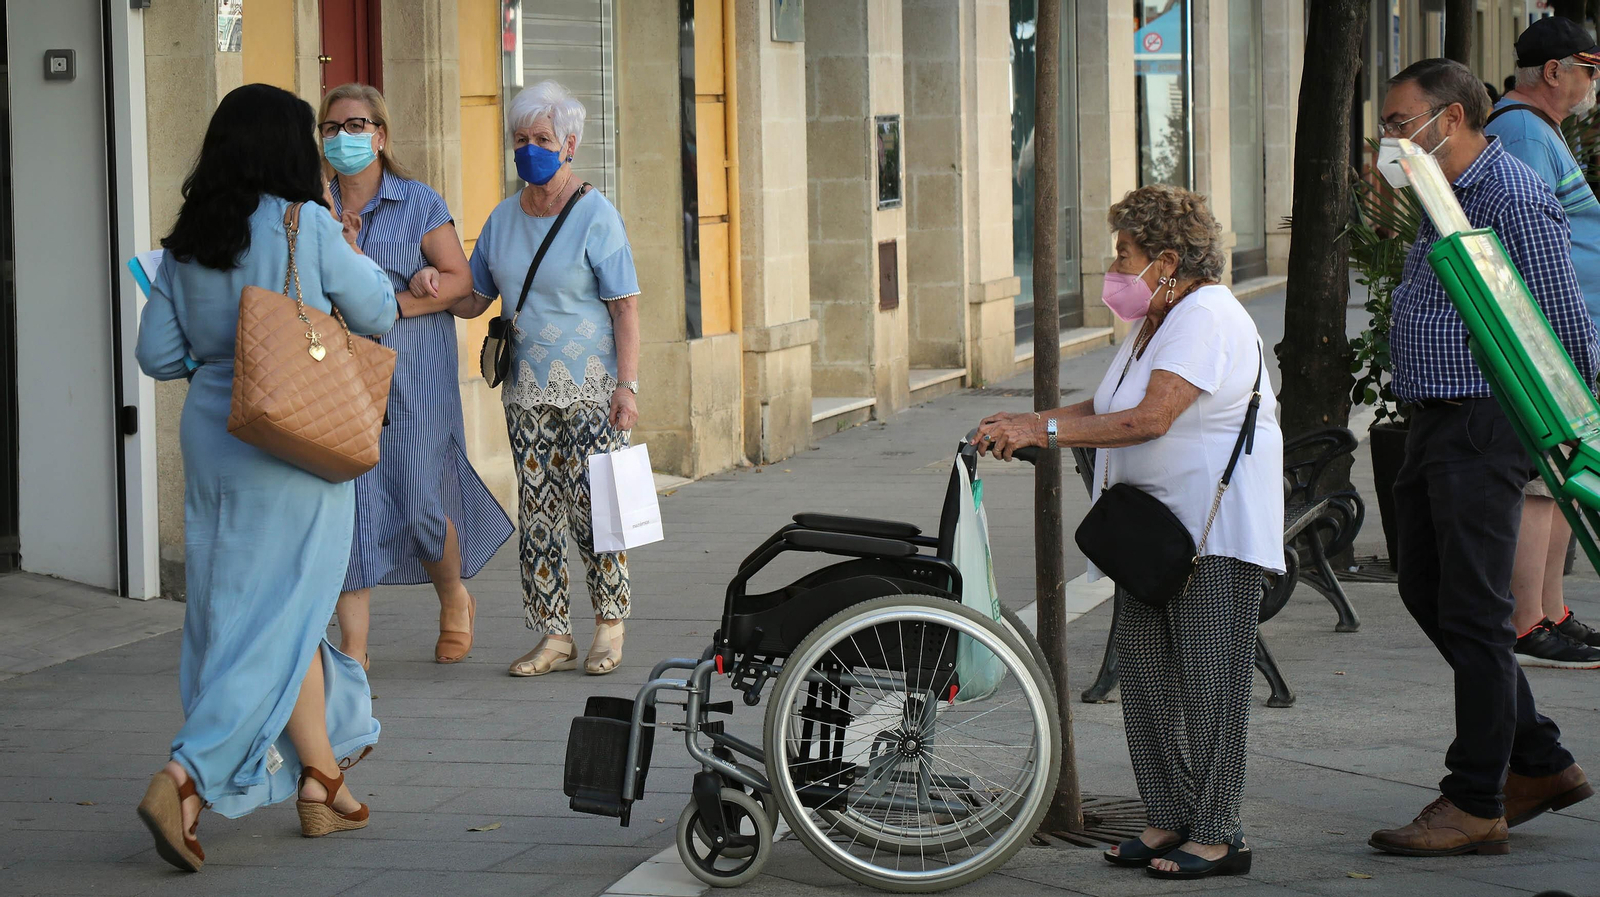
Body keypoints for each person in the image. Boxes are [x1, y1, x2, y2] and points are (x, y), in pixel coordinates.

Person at [973, 185, 1284, 880]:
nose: (1115, 269)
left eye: (1125, 254)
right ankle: (1167, 813)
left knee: (1210, 684)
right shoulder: (1159, 321)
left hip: (1212, 535)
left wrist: (1039, 428)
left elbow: (1150, 417)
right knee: (1145, 679)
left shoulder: (1205, 316)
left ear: (1168, 258)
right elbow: (1110, 403)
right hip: (1152, 533)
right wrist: (1028, 421)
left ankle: (1219, 829)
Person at [133, 83, 395, 870]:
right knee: (280, 616)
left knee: (261, 612)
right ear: (289, 150)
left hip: (215, 438)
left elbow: (155, 356)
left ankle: (324, 779)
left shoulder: (184, 242)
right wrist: (339, 243)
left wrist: (216, 360)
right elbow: (378, 310)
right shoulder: (304, 224)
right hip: (298, 443)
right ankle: (186, 778)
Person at [1368, 58, 1596, 858]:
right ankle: (1538, 759)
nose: (1389, 140)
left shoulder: (1511, 194)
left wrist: (1558, 434)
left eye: (1399, 125)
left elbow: (1565, 324)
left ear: (1452, 121)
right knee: (1428, 587)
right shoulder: (1443, 189)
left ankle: (1475, 798)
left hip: (1483, 419)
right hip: (1437, 418)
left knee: (1473, 609)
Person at [441, 79, 641, 678]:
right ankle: (554, 634)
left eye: (543, 139)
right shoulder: (502, 220)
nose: (530, 149)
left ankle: (610, 626)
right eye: (521, 139)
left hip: (592, 391)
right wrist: (430, 287)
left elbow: (625, 305)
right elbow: (476, 298)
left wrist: (627, 387)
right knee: (539, 511)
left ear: (570, 144)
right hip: (526, 392)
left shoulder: (596, 216)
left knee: (599, 508)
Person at [318, 83, 513, 669]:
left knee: (422, 502)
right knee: (348, 505)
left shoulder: (418, 202)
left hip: (415, 375)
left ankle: (454, 597)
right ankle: (354, 648)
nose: (342, 137)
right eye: (330, 127)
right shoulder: (309, 207)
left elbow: (461, 283)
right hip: (340, 376)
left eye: (355, 126)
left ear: (379, 136)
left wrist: (397, 300)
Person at [1485, 17, 1600, 670]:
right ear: (1555, 72)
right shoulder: (1524, 130)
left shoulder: (1536, 129)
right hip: (1549, 337)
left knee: (1557, 480)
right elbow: (1523, 238)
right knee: (1540, 482)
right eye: (1589, 69)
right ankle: (1529, 622)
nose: (1592, 82)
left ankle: (1551, 610)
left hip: (1567, 336)